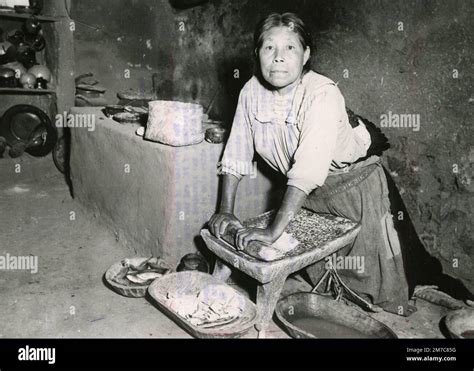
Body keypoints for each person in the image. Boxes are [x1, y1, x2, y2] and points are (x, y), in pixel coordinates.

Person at [208, 12, 410, 315]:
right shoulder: (251, 91)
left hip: (354, 184)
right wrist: (225, 211)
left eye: (290, 48)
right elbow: (236, 154)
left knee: (378, 287)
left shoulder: (322, 93)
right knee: (324, 281)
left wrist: (273, 230)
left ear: (306, 55)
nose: (278, 58)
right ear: (257, 55)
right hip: (311, 194)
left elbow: (307, 170)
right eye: (268, 48)